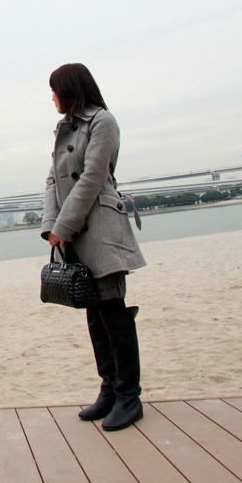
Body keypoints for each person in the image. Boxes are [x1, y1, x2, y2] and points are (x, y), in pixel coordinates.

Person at [40, 63, 147, 431]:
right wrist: (51, 227)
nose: (52, 97)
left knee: (114, 312)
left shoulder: (102, 122)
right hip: (71, 231)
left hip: (99, 227)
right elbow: (52, 180)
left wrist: (63, 227)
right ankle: (109, 390)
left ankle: (129, 396)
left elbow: (92, 177)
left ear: (70, 89)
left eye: (55, 90)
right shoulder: (65, 127)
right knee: (93, 314)